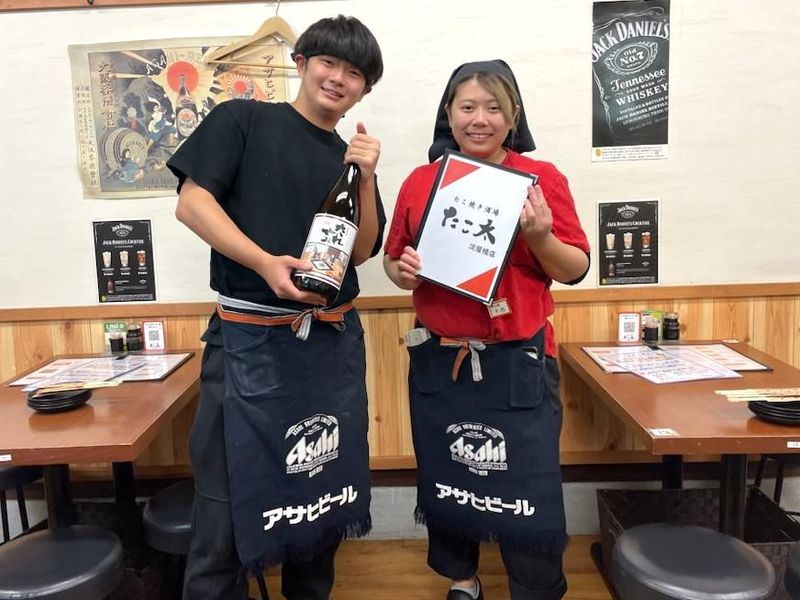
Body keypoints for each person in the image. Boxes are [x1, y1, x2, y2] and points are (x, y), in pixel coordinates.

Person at [167, 15, 385, 600]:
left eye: (355, 73)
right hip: (249, 341)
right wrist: (265, 262)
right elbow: (192, 204)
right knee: (226, 510)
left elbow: (362, 250)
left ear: (364, 89)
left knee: (319, 498)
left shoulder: (348, 157)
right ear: (302, 62)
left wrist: (365, 177)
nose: (338, 79)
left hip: (330, 347)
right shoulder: (243, 119)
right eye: (328, 62)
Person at [383, 60, 590, 600]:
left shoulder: (540, 180)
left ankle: (536, 587)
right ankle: (463, 578)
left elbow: (574, 268)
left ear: (513, 116)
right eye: (468, 107)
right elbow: (393, 259)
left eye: (494, 108)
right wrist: (402, 271)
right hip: (439, 360)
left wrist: (541, 236)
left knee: (528, 483)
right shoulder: (422, 181)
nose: (480, 119)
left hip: (518, 358)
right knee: (447, 470)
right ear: (449, 114)